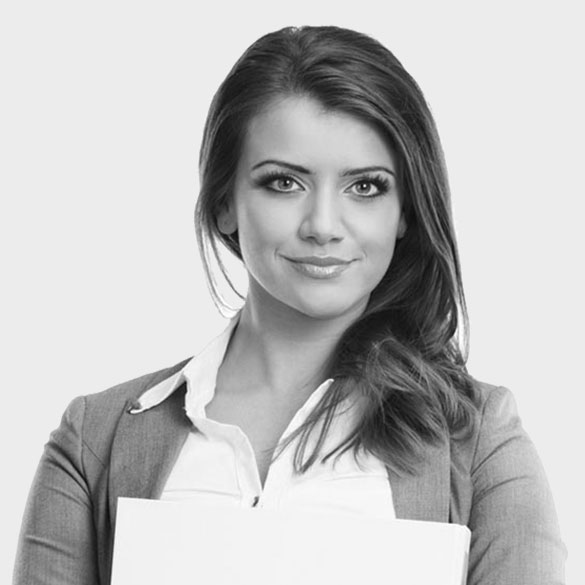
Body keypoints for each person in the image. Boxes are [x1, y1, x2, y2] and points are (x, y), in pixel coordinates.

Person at [13, 25, 565, 585]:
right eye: (283, 183)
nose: (323, 226)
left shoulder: (478, 441)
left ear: (405, 211)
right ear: (224, 202)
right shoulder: (94, 440)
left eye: (365, 187)